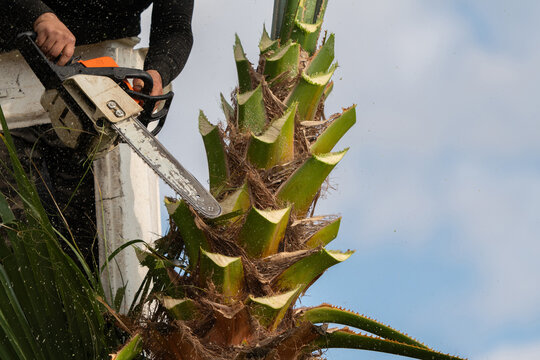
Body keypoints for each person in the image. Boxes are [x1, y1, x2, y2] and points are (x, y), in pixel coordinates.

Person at [0, 0, 194, 266]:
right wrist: (39, 15)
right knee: (14, 239)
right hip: (9, 88)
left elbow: (175, 27)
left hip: (102, 92)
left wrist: (158, 72)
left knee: (92, 242)